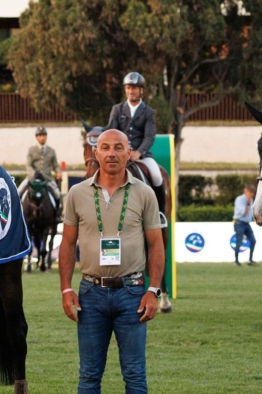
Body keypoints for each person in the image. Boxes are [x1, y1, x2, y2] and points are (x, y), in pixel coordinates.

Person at [59, 129, 165, 394]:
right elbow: (68, 244)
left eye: (119, 147)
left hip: (132, 293)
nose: (112, 153)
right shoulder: (77, 193)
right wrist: (66, 289)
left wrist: (153, 291)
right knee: (89, 376)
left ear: (129, 153)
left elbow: (156, 245)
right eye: (105, 147)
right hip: (90, 294)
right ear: (95, 153)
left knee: (135, 376)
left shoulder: (144, 193)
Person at [104, 72, 167, 227]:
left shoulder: (149, 112)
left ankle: (160, 214)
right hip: (120, 155)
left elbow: (149, 136)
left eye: (135, 88)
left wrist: (138, 152)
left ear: (141, 91)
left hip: (141, 155)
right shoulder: (117, 109)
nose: (131, 91)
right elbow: (112, 132)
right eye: (128, 88)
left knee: (157, 176)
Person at [17, 126, 62, 218]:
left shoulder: (51, 151)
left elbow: (55, 165)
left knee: (58, 194)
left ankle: (57, 215)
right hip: (33, 178)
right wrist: (33, 173)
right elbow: (28, 165)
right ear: (36, 137)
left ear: (46, 136)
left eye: (44, 135)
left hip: (47, 179)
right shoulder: (31, 150)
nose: (42, 137)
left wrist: (58, 171)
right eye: (40, 135)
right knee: (18, 192)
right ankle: (17, 215)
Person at [233, 184, 257, 267]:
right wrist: (247, 203)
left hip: (247, 223)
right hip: (239, 223)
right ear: (246, 191)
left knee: (253, 241)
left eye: (253, 193)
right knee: (239, 242)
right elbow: (244, 213)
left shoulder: (251, 200)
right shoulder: (240, 199)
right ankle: (236, 261)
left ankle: (250, 260)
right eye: (251, 192)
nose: (252, 195)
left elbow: (251, 212)